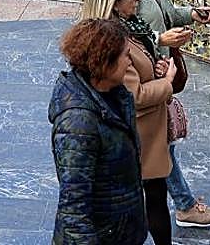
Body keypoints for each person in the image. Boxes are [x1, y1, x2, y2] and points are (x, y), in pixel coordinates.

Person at [109, 0, 210, 230]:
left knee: (160, 142)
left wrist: (192, 15)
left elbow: (167, 12)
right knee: (158, 144)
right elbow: (117, 29)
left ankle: (179, 204)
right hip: (139, 71)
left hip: (158, 69)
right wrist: (161, 39)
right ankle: (183, 206)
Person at [81, 0, 176, 245]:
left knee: (154, 195)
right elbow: (133, 94)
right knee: (153, 197)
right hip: (139, 133)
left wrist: (155, 68)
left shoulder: (128, 29)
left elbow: (135, 72)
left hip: (142, 132)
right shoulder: (112, 40)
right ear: (114, 2)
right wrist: (167, 82)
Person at [49, 17, 147, 245]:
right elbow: (74, 208)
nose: (130, 61)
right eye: (125, 55)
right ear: (105, 61)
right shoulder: (78, 123)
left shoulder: (116, 95)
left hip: (121, 231)